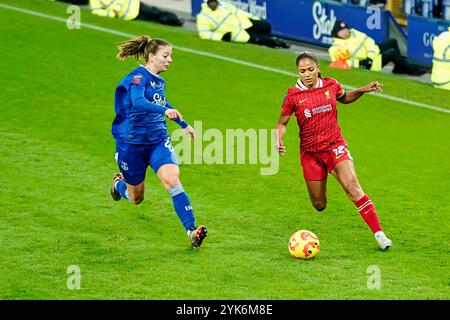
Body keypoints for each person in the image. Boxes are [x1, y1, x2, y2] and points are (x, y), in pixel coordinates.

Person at [275, 51, 393, 251]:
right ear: (298, 72)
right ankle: (324, 179)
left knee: (353, 188)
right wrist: (278, 139)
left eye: (310, 70)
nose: (307, 74)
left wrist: (363, 89)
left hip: (334, 146)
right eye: (302, 71)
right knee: (319, 205)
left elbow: (345, 98)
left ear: (318, 68)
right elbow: (282, 123)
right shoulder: (293, 95)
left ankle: (379, 234)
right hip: (310, 154)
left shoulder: (331, 84)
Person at [110, 35, 208, 248]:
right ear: (151, 56)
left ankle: (191, 231)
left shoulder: (159, 80)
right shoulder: (137, 79)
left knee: (172, 179)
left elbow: (161, 102)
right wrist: (165, 110)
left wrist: (185, 125)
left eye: (171, 56)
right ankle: (118, 186)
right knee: (137, 198)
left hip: (157, 141)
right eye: (166, 55)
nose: (170, 60)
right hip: (131, 145)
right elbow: (138, 102)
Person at [329, 20, 426, 76]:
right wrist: (361, 63)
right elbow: (341, 63)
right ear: (336, 32)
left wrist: (370, 56)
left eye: (346, 29)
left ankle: (399, 67)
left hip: (371, 55)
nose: (345, 32)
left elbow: (368, 41)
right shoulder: (336, 48)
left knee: (392, 41)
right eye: (342, 31)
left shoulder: (353, 32)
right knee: (391, 53)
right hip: (368, 64)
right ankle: (412, 70)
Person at [196, 0, 290, 48]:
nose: (214, 5)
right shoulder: (202, 16)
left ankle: (272, 39)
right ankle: (277, 42)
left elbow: (238, 12)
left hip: (244, 23)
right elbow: (204, 33)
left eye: (215, 2)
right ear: (207, 3)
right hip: (236, 34)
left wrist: (253, 18)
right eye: (211, 3)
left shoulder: (223, 6)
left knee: (266, 25)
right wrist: (221, 37)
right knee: (263, 39)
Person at [89, 0, 184, 26]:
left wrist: (116, 8)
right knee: (155, 18)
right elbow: (96, 11)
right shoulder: (94, 0)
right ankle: (174, 21)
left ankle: (176, 20)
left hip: (135, 5)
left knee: (156, 14)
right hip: (129, 15)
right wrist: (112, 14)